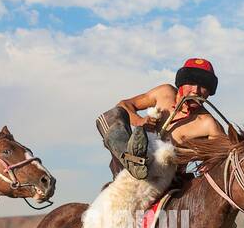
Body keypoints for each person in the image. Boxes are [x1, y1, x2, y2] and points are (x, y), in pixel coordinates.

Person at [96, 57, 227, 179]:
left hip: (164, 178)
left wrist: (210, 163)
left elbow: (224, 154)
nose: (196, 91)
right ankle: (133, 162)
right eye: (191, 83)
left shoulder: (208, 124)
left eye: (203, 86)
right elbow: (124, 105)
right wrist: (139, 121)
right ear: (181, 84)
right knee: (111, 115)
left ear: (209, 92)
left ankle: (138, 167)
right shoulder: (164, 93)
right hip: (126, 166)